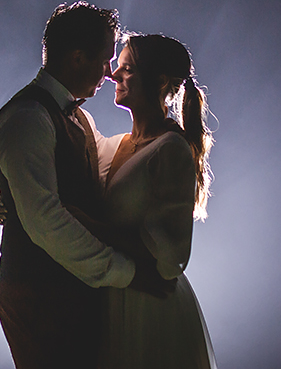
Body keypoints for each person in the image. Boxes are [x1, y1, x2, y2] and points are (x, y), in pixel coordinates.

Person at [0, 2, 173, 369]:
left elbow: (109, 175)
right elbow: (46, 221)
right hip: (38, 294)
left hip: (69, 290)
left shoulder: (80, 118)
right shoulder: (27, 118)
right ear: (76, 58)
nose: (109, 73)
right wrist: (128, 273)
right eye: (105, 60)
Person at [93, 33, 218, 368]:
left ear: (160, 81)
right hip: (110, 293)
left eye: (127, 69)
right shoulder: (113, 145)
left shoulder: (170, 149)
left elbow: (170, 257)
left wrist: (89, 226)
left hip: (147, 306)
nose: (113, 75)